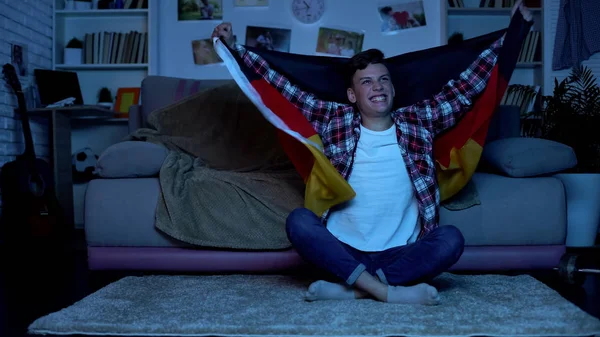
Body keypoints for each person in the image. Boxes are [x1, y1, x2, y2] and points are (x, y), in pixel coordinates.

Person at [212, 0, 532, 305]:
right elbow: (282, 87)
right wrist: (235, 48)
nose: (377, 86)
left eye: (383, 80)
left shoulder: (419, 119)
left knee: (451, 240)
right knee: (299, 221)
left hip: (401, 251)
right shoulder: (334, 119)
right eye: (366, 82)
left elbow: (467, 87)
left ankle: (358, 290)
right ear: (352, 94)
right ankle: (388, 290)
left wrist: (517, 31)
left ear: (393, 89)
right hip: (343, 248)